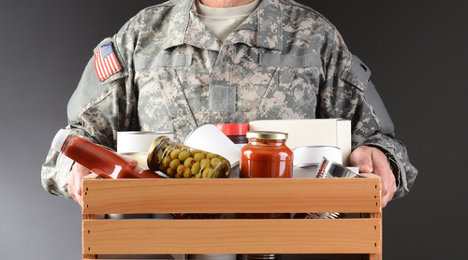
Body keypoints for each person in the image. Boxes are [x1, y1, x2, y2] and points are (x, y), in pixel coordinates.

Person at [42, 0, 417, 210]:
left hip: (291, 247)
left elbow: (381, 143)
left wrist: (379, 158)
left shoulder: (314, 36)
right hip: (161, 246)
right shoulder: (142, 37)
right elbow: (77, 140)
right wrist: (77, 169)